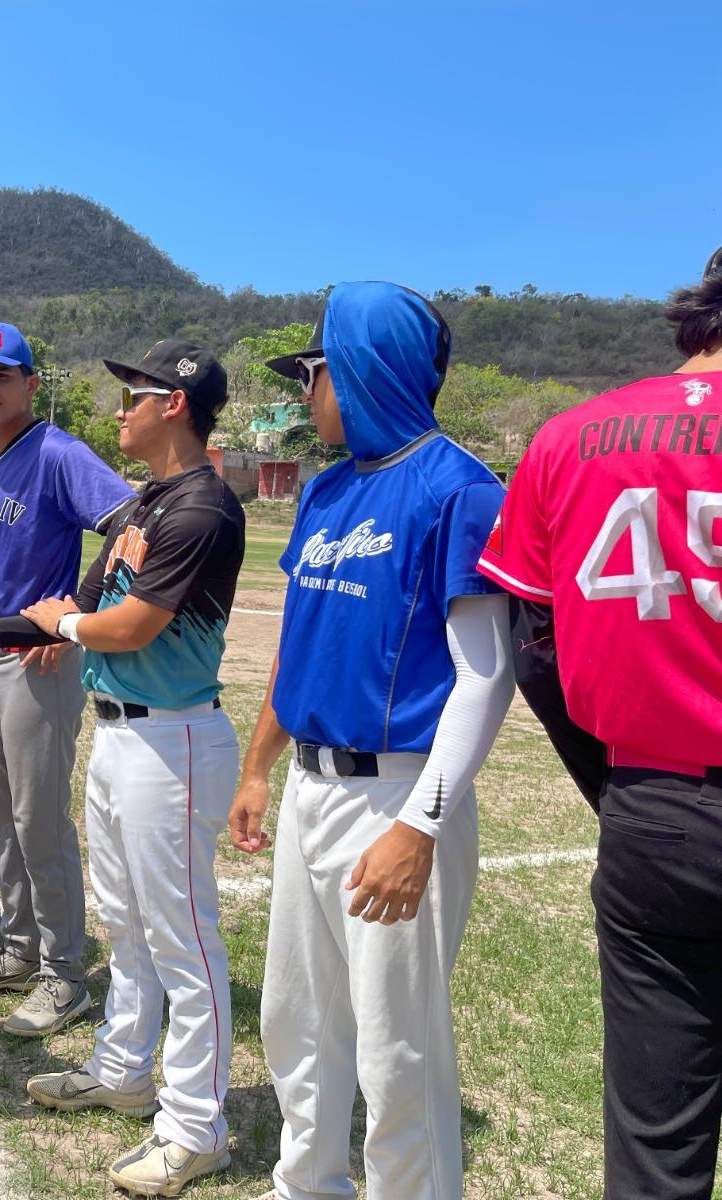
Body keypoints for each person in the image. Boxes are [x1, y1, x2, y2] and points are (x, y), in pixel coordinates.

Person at [228, 282, 514, 1200]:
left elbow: (485, 673)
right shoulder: (325, 489)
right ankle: (304, 1186)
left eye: (311, 373)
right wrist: (260, 764)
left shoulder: (458, 486)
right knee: (296, 1020)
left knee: (398, 1048)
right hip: (314, 783)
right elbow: (301, 643)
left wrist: (422, 826)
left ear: (357, 367)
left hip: (397, 794)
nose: (306, 395)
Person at [477, 249, 722, 1200]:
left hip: (653, 811)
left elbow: (533, 650)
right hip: (651, 799)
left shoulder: (569, 435)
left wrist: (622, 786)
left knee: (656, 1148)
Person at [0, 339, 245, 1196]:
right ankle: (125, 1071)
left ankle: (197, 1124)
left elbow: (127, 626)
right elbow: (80, 608)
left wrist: (64, 629)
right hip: (122, 735)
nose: (120, 409)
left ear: (175, 404)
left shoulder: (202, 507)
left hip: (176, 741)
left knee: (185, 938)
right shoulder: (147, 501)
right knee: (126, 920)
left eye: (134, 396)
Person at [0, 321, 134, 1037]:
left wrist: (76, 613)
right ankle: (20, 950)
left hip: (36, 661)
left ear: (31, 383)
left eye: (2, 375)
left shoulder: (58, 452)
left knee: (38, 821)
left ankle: (64, 975)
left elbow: (130, 522)